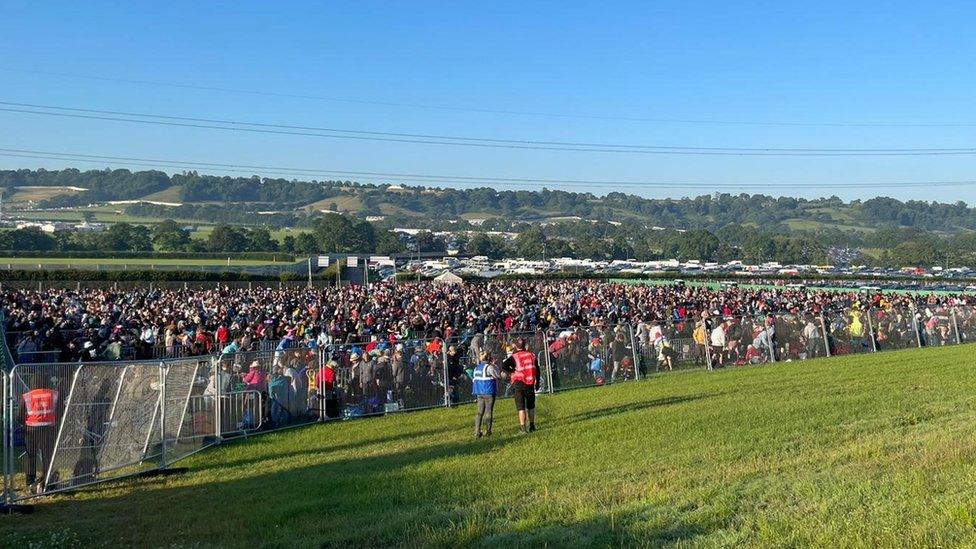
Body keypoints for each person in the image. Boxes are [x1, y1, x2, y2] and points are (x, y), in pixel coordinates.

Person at [20, 374, 60, 494]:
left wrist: (25, 423)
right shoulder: (54, 394)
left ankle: (30, 481)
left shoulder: (27, 396)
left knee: (31, 455)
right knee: (48, 455)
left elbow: (20, 415)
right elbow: (60, 410)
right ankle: (47, 479)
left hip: (31, 429)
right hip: (49, 428)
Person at [501, 338, 539, 434]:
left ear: (516, 346)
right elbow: (537, 370)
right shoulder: (532, 355)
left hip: (518, 382)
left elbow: (504, 366)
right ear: (524, 345)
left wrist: (512, 370)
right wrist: (537, 382)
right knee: (531, 406)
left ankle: (523, 428)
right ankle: (532, 425)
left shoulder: (514, 357)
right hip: (530, 382)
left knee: (521, 407)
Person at [472, 351, 498, 438]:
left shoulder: (476, 368)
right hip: (489, 392)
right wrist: (495, 365)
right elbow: (497, 376)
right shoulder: (489, 367)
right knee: (489, 412)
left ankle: (477, 432)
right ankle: (488, 432)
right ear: (489, 358)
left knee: (479, 413)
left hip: (479, 392)